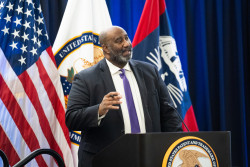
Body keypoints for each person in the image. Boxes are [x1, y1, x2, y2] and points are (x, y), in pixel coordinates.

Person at [66, 26, 183, 167]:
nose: (127, 43)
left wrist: (176, 147)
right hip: (106, 160)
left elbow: (170, 114)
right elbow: (72, 118)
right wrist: (99, 110)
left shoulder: (149, 72)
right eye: (119, 40)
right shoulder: (86, 78)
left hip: (149, 156)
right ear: (106, 48)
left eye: (126, 38)